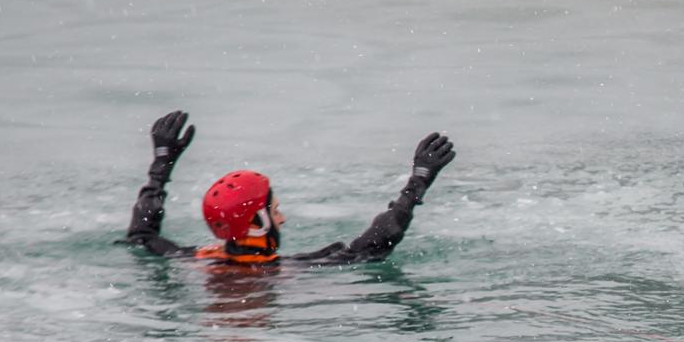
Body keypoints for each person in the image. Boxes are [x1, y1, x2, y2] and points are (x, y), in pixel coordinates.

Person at [121, 110, 456, 265]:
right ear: (257, 224)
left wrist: (161, 165)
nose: (281, 219)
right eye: (275, 210)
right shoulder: (285, 272)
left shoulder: (195, 260)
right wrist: (418, 182)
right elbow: (371, 248)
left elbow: (141, 237)